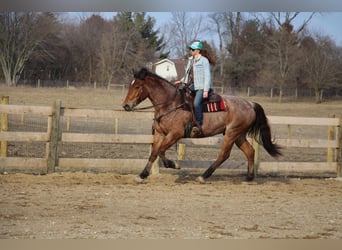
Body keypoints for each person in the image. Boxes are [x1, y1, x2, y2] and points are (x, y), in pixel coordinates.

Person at [175, 40, 215, 135]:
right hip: (193, 85)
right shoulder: (191, 60)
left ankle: (198, 124)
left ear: (198, 50)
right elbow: (187, 74)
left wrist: (205, 90)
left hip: (201, 86)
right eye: (190, 49)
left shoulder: (204, 61)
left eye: (192, 49)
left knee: (197, 103)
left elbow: (207, 76)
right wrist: (181, 81)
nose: (191, 51)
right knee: (182, 97)